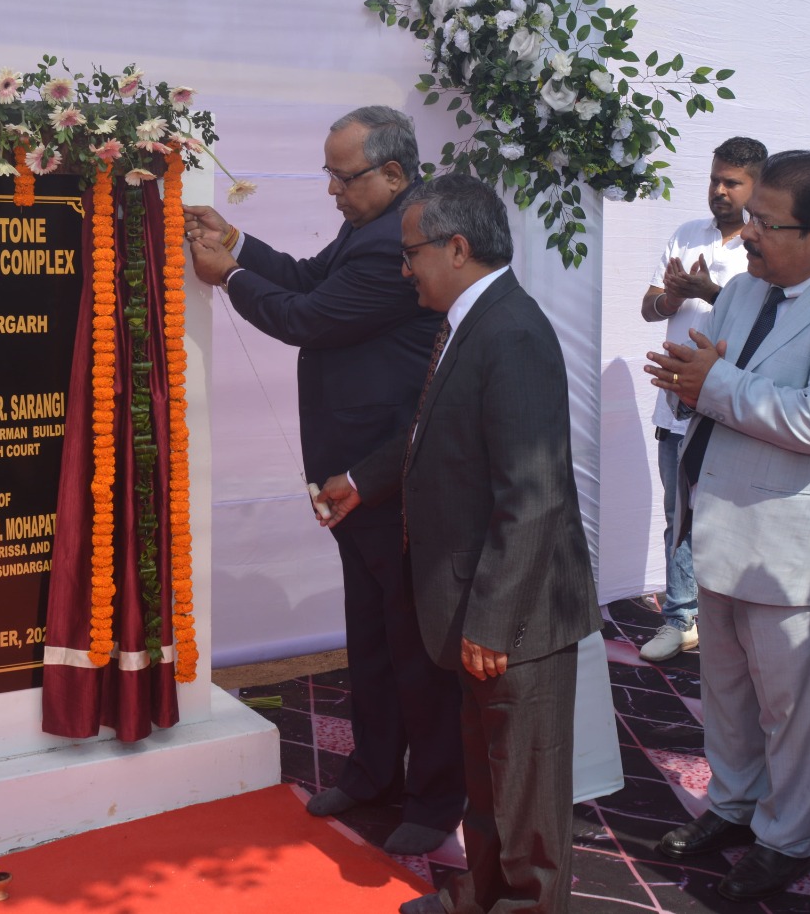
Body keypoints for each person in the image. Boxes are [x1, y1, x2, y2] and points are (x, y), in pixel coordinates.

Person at [183, 107, 463, 854]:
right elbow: (311, 278)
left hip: (389, 471)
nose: (332, 191)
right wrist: (240, 244)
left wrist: (229, 275)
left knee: (413, 646)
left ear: (393, 173)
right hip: (351, 471)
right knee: (369, 635)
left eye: (343, 177)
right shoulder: (373, 225)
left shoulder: (400, 240)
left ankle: (435, 800)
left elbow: (306, 316)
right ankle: (374, 772)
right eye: (330, 176)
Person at [315, 174, 597, 914]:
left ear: (458, 248)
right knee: (490, 771)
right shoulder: (476, 321)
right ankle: (482, 892)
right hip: (478, 599)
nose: (404, 268)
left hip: (518, 612)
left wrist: (495, 618)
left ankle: (526, 903)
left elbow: (533, 494)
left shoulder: (513, 333)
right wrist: (364, 481)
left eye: (411, 253)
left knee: (525, 782)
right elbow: (431, 432)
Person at [643, 152, 810, 902]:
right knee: (724, 691)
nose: (748, 233)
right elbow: (705, 374)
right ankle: (731, 806)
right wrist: (691, 386)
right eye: (751, 215)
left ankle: (785, 840)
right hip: (719, 519)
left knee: (791, 709)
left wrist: (713, 384)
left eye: (766, 222)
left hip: (792, 546)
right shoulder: (743, 291)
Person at [637, 136, 765, 662]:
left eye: (732, 182)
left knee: (728, 518)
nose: (719, 190)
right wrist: (673, 296)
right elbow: (649, 307)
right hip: (675, 406)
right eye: (715, 179)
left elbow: (762, 316)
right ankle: (680, 617)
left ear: (757, 185)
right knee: (679, 515)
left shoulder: (763, 244)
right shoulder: (686, 234)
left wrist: (709, 291)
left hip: (732, 410)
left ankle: (725, 621)